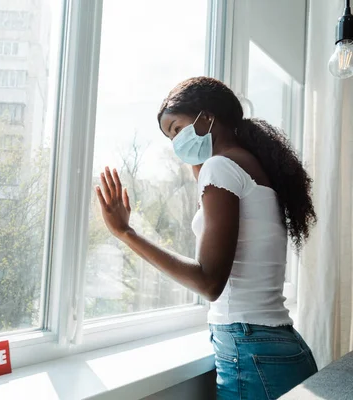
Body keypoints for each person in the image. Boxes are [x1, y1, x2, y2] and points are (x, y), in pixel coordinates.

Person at [95, 76, 318, 400]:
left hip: (251, 349)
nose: (174, 143)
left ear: (206, 118)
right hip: (278, 345)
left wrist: (125, 233)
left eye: (175, 129)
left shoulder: (221, 168)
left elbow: (209, 282)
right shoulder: (249, 165)